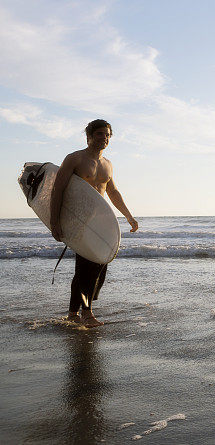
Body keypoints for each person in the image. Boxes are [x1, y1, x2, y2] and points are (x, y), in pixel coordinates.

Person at [50, 119, 138, 327]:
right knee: (87, 268)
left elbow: (113, 192)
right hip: (79, 220)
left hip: (98, 222)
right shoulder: (74, 159)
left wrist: (128, 216)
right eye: (99, 134)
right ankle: (87, 313)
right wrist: (55, 221)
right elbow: (58, 189)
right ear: (89, 136)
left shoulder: (107, 164)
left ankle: (73, 313)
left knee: (97, 266)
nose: (104, 138)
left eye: (107, 134)